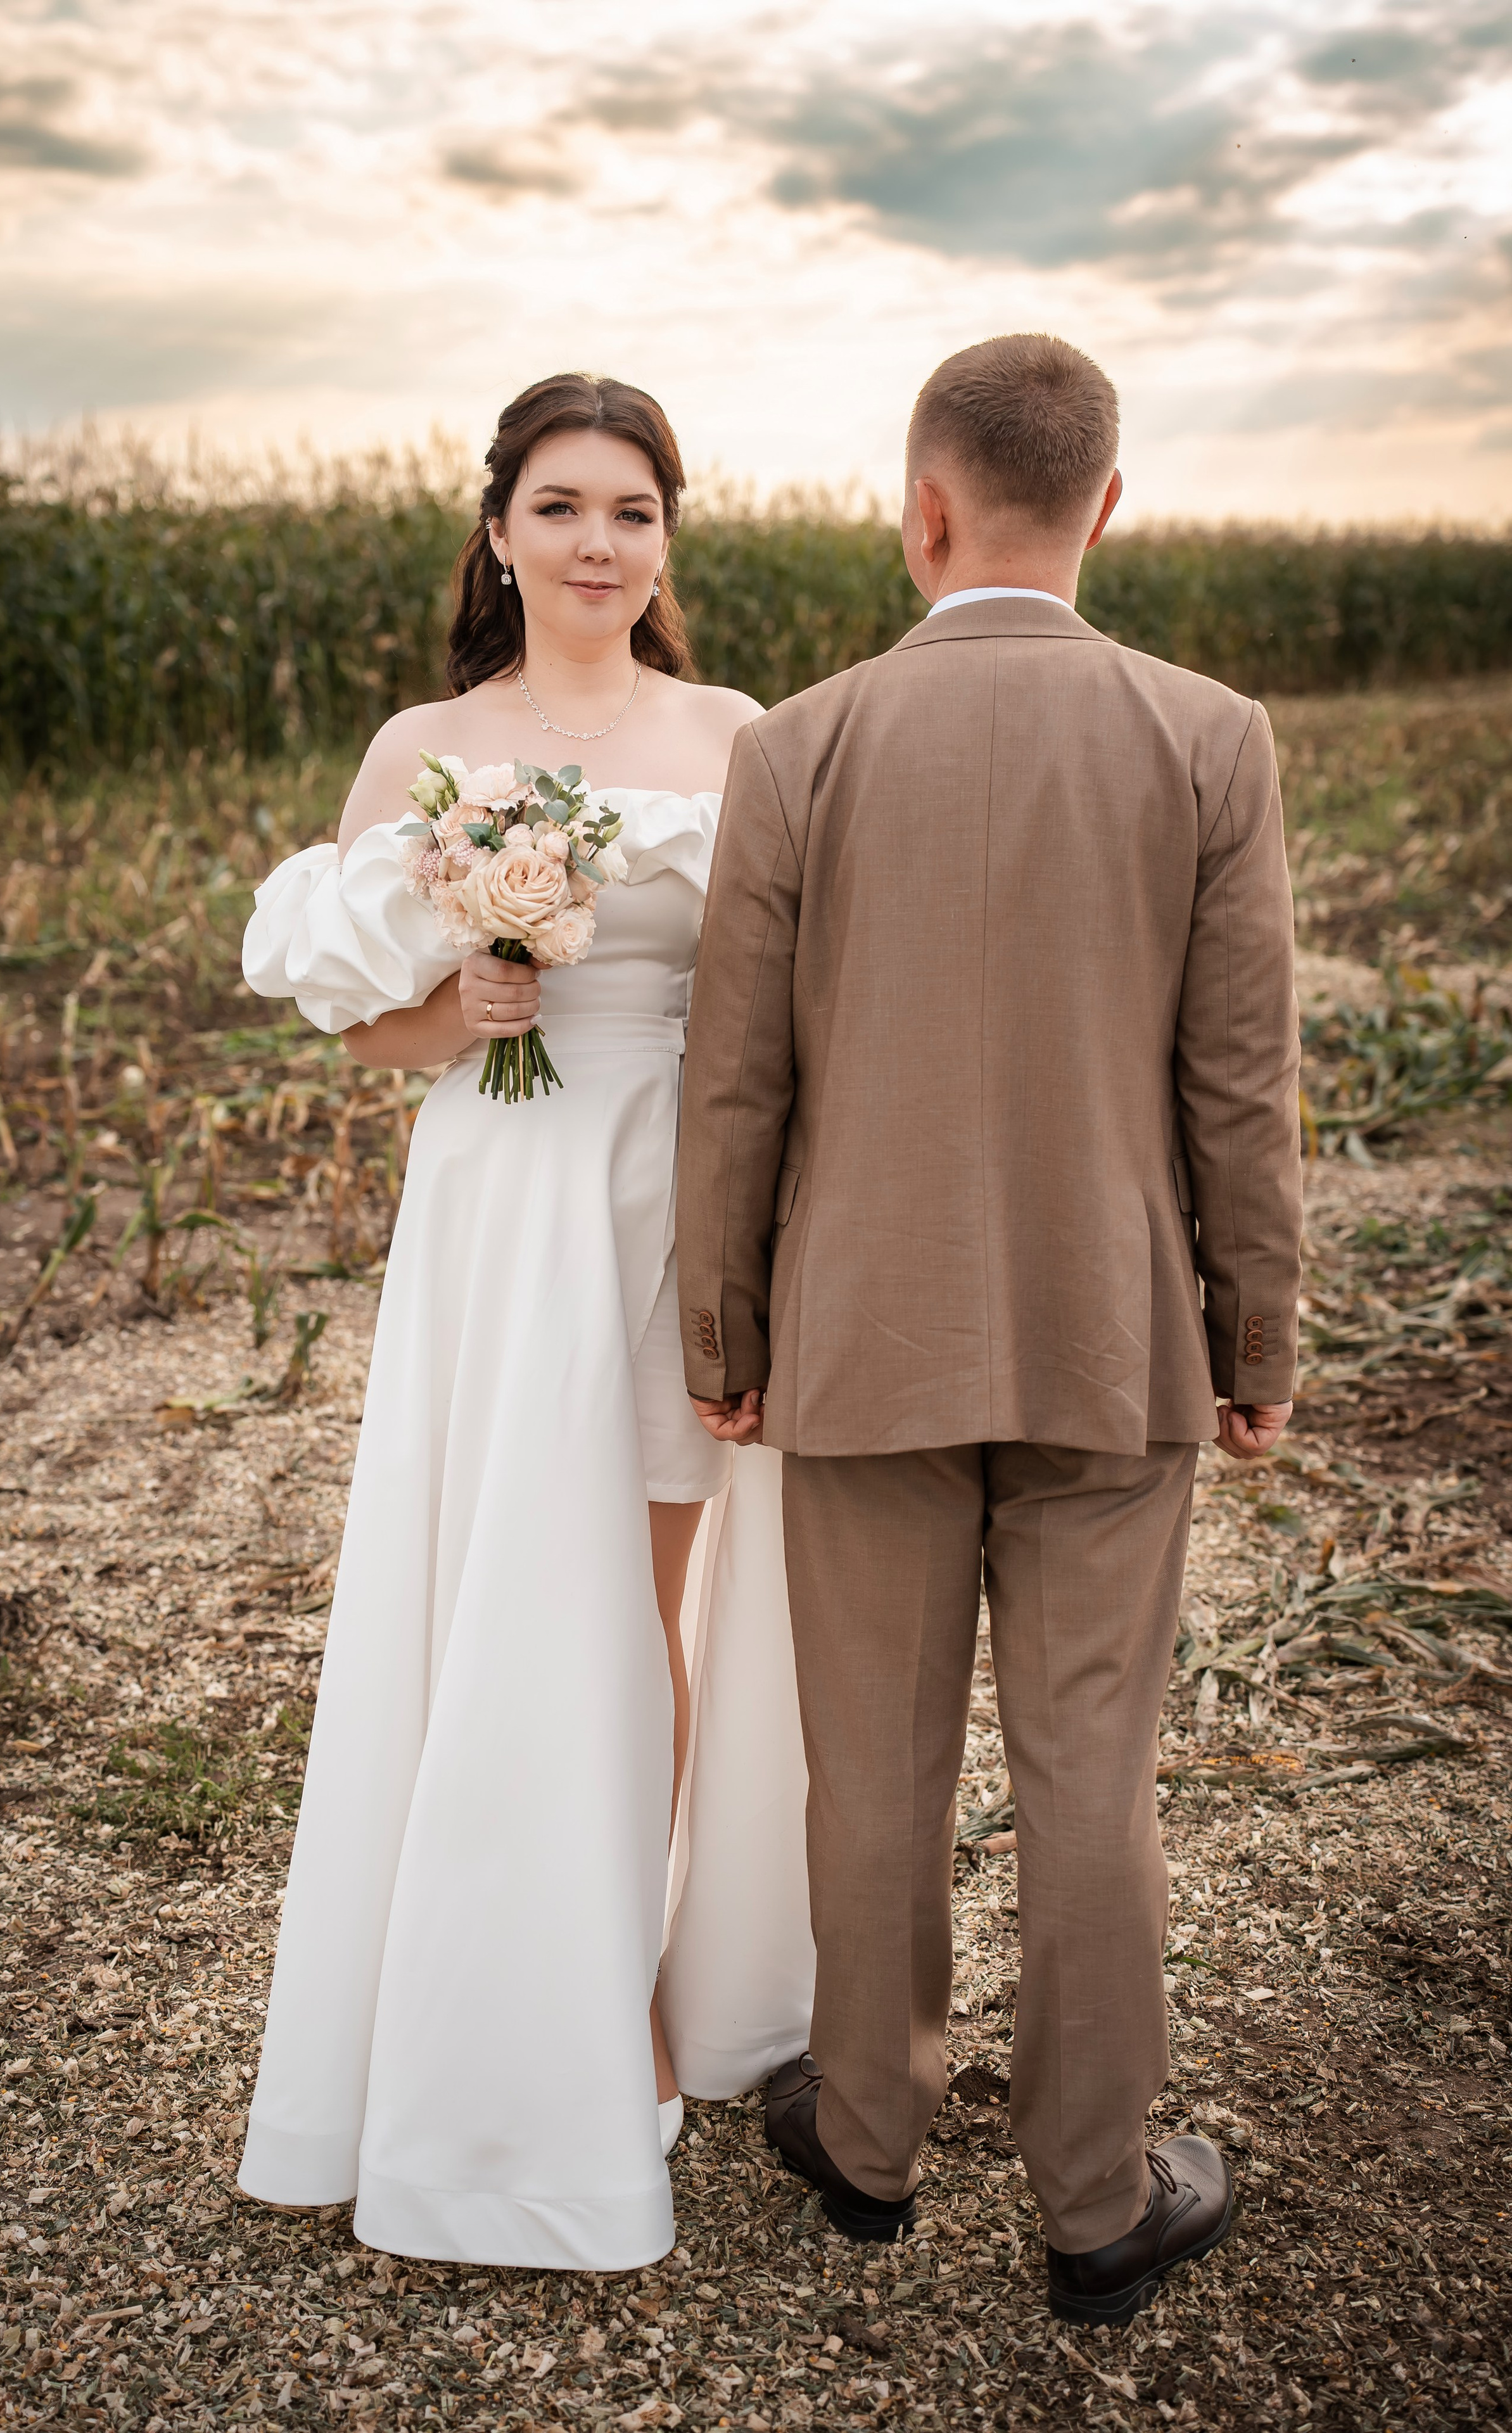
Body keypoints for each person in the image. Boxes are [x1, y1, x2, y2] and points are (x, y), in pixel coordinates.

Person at [678, 331, 1302, 2324]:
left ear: (922, 507)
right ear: (1108, 505)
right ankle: (1099, 2197)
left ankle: (864, 2139)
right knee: (1090, 1769)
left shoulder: (802, 744)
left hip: (856, 1339)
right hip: (1118, 1342)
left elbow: (737, 1084)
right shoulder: (1211, 736)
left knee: (869, 1768)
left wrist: (725, 1326)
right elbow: (1240, 1086)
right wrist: (1255, 1333)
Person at [236, 372, 815, 2271]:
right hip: (496, 1202)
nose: (597, 543)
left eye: (632, 511)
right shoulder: (430, 739)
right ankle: (476, 2005)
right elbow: (351, 1011)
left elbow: (788, 992)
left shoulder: (732, 733)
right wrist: (461, 1013)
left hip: (676, 1191)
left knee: (640, 1607)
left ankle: (633, 1995)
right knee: (494, 1591)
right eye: (561, 506)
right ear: (499, 529)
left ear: (669, 539)